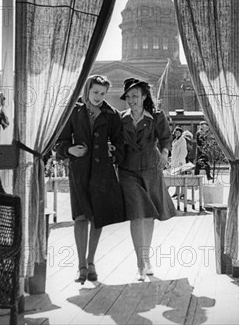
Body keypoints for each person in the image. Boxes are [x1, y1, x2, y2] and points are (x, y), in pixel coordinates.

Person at [56, 75, 124, 284]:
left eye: (102, 94)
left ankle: (91, 262)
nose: (98, 97)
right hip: (80, 170)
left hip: (102, 172)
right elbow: (60, 141)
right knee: (80, 217)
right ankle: (81, 267)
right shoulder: (74, 112)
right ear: (87, 90)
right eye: (95, 92)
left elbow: (120, 143)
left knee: (97, 217)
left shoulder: (112, 115)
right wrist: (69, 150)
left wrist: (113, 152)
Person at [118, 78, 177, 281]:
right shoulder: (121, 118)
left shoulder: (157, 116)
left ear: (144, 96)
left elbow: (166, 138)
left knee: (149, 215)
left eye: (135, 96)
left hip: (151, 169)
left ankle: (146, 256)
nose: (131, 100)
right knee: (137, 215)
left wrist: (164, 153)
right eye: (128, 96)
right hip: (128, 171)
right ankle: (140, 264)